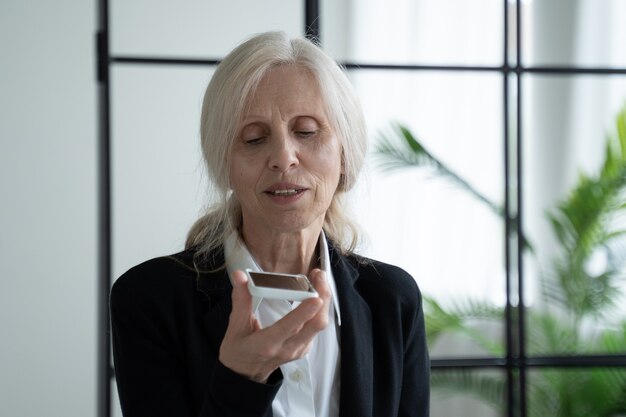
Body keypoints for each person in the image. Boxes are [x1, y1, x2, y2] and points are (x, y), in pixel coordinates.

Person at [110, 31, 430, 417]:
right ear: (222, 164)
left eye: (306, 132)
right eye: (254, 138)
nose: (283, 157)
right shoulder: (150, 299)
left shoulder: (392, 300)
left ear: (344, 154)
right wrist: (240, 377)